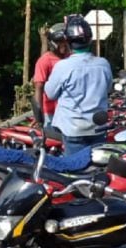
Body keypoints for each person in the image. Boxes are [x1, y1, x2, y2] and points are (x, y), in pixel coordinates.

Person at [44, 15, 112, 156]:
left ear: (68, 42)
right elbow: (108, 89)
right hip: (98, 128)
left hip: (73, 129)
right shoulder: (103, 64)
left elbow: (50, 94)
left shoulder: (62, 66)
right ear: (89, 40)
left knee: (75, 171)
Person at [32, 22, 68, 127]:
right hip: (51, 112)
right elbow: (39, 88)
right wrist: (38, 116)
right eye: (60, 42)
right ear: (52, 43)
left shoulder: (71, 58)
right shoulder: (45, 61)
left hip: (69, 112)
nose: (64, 45)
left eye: (66, 41)